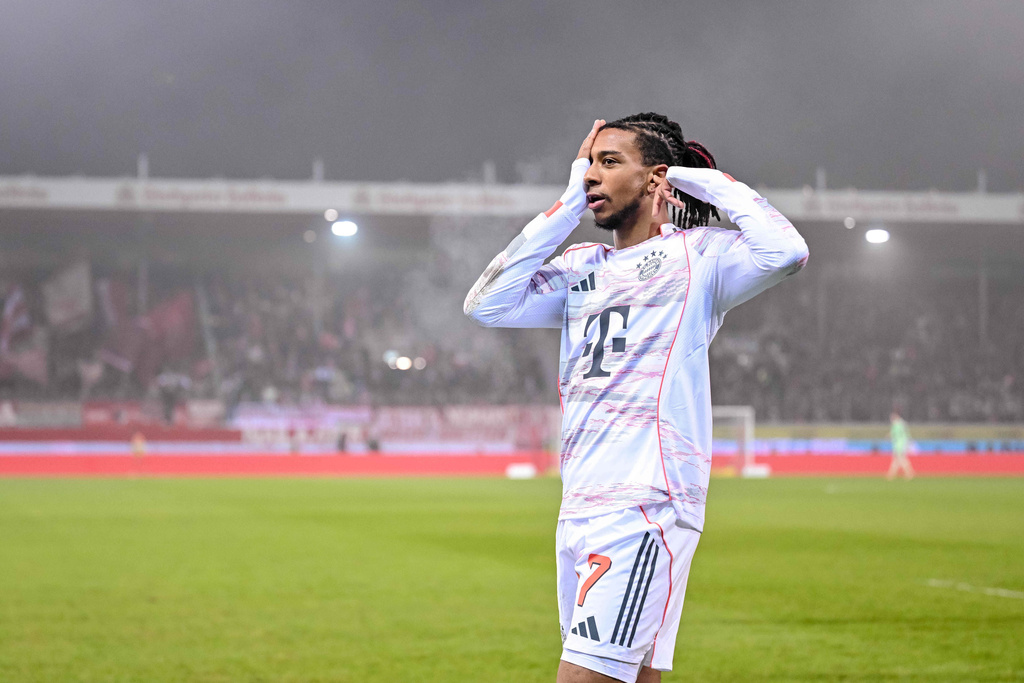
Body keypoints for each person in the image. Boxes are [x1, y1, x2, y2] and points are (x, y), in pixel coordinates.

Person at [464, 113, 808, 683]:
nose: (592, 175)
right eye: (589, 163)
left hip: (643, 504)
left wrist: (703, 182)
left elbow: (786, 252)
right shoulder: (580, 268)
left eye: (609, 162)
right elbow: (487, 303)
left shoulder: (701, 258)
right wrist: (567, 204)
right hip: (579, 505)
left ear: (655, 180)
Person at [887, 410, 915, 480]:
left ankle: (909, 472)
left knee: (900, 458)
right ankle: (892, 474)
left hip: (899, 444)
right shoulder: (903, 423)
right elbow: (907, 433)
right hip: (903, 443)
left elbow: (893, 434)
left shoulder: (896, 424)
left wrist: (888, 436)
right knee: (898, 459)